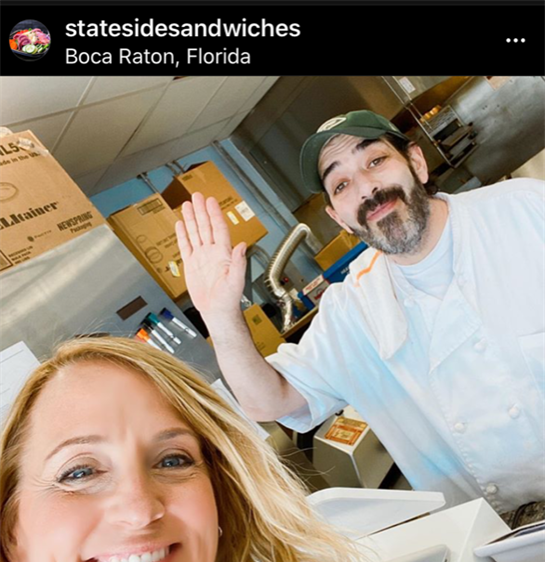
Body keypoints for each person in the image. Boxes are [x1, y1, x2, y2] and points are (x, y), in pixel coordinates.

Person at [0, 336, 466, 562]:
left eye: (172, 460)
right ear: (12, 532)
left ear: (218, 497)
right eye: (79, 472)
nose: (140, 510)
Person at [174, 109, 545, 518]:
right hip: (506, 538)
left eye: (376, 161)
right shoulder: (352, 310)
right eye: (342, 184)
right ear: (338, 218)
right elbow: (269, 402)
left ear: (417, 164)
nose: (367, 189)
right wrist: (220, 314)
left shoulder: (523, 212)